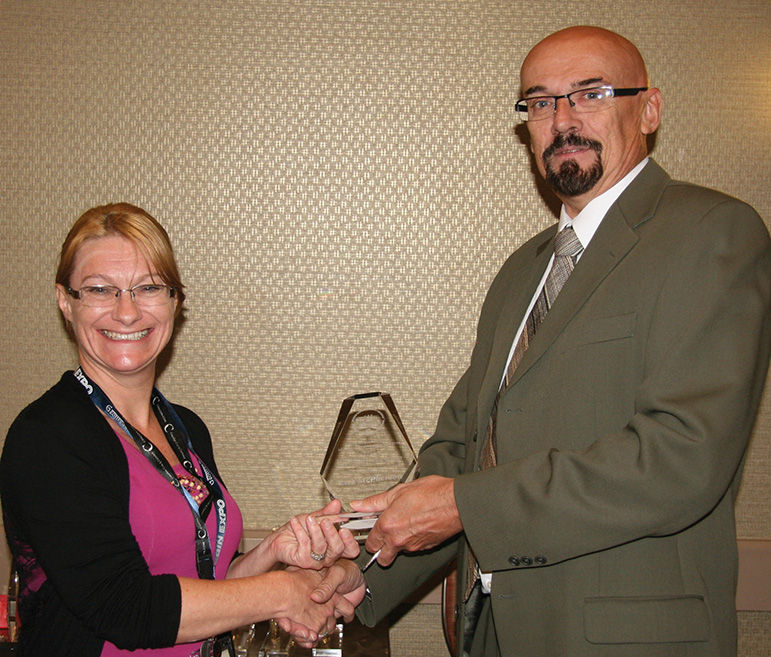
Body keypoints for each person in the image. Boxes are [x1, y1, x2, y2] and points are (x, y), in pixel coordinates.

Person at [339, 26, 771, 657]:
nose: (562, 119)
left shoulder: (712, 232)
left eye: (589, 94)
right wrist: (354, 577)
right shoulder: (523, 270)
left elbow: (681, 458)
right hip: (491, 634)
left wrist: (462, 506)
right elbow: (463, 448)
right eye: (540, 103)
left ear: (649, 109)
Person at [0, 203, 366, 656]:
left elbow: (203, 590)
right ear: (65, 301)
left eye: (148, 287)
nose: (127, 312)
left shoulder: (184, 427)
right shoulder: (47, 438)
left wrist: (272, 551)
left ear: (176, 301)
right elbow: (128, 608)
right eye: (100, 289)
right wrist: (285, 593)